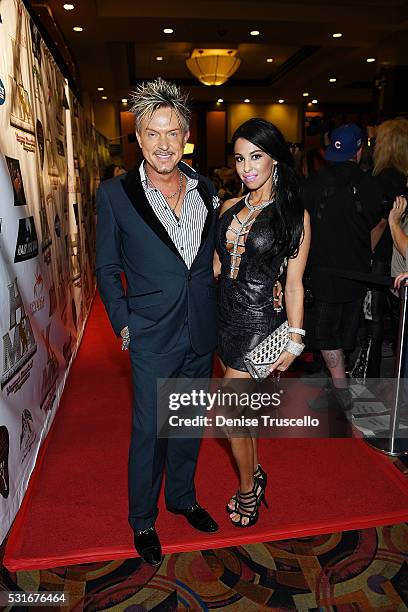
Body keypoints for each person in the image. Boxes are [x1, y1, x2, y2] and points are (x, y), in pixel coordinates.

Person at [96, 78, 219, 567]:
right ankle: (143, 518)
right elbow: (107, 267)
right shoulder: (115, 194)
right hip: (149, 330)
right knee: (151, 429)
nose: (164, 143)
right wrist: (124, 320)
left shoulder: (206, 190)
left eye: (173, 133)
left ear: (186, 136)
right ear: (139, 138)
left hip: (199, 329)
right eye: (153, 133)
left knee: (188, 422)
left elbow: (207, 260)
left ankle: (183, 497)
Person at [213, 118, 310, 527]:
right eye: (239, 158)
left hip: (260, 324)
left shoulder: (293, 215)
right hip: (225, 319)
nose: (246, 167)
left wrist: (295, 339)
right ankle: (255, 476)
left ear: (274, 159)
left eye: (256, 156)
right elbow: (218, 266)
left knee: (228, 416)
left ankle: (249, 491)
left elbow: (293, 285)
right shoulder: (229, 207)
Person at [366, 118, 408, 377]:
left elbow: (381, 222)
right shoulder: (403, 177)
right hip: (397, 256)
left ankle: (370, 374)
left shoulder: (384, 178)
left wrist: (365, 251)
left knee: (374, 317)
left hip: (385, 254)